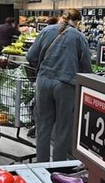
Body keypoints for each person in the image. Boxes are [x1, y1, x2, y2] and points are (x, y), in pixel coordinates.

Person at [26, 8, 92, 162]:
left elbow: (30, 56)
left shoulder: (46, 30)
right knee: (62, 128)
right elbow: (87, 68)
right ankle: (58, 167)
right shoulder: (79, 37)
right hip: (66, 84)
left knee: (43, 126)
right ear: (78, 22)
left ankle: (41, 164)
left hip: (43, 82)